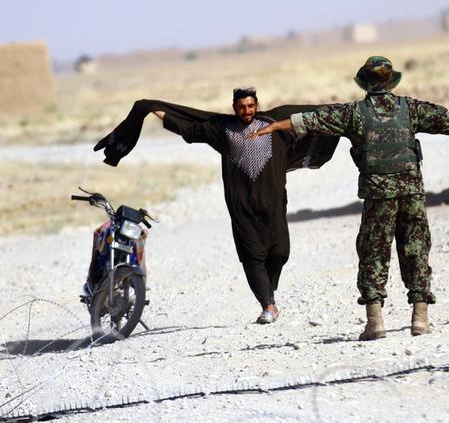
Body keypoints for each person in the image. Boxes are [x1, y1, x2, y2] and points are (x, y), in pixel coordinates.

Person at [248, 56, 449, 340]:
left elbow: (310, 121)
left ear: (365, 83)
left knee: (374, 254)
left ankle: (375, 323)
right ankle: (420, 319)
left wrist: (271, 127)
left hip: (378, 195)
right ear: (390, 82)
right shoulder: (410, 108)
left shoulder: (354, 113)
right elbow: (446, 120)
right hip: (411, 192)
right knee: (416, 250)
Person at [94, 89, 339, 324]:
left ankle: (267, 287)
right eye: (242, 107)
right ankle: (268, 305)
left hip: (274, 203)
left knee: (280, 252)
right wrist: (152, 109)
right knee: (252, 255)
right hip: (240, 205)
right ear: (234, 108)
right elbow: (187, 127)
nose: (247, 110)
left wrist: (345, 117)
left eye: (251, 105)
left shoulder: (276, 123)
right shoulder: (222, 130)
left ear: (257, 105)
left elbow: (313, 119)